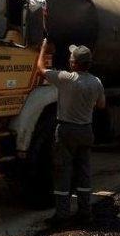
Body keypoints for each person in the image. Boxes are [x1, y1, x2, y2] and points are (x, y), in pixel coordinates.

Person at [37, 39, 106, 226]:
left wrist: (43, 49)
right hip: (86, 130)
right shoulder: (96, 82)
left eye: (71, 58)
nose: (69, 60)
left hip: (66, 130)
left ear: (74, 64)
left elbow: (41, 69)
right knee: (84, 172)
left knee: (63, 171)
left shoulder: (67, 79)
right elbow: (101, 105)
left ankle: (62, 215)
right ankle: (85, 212)